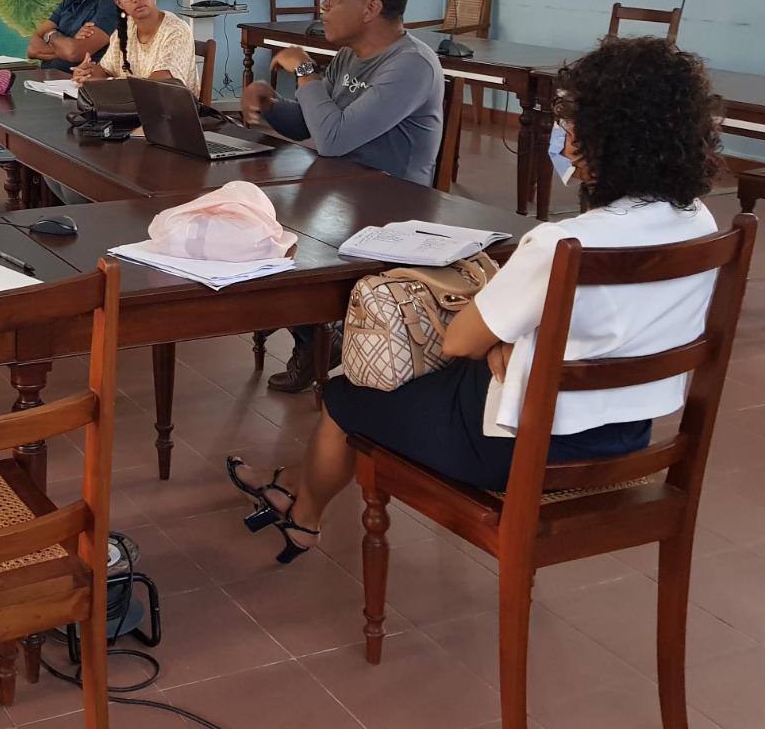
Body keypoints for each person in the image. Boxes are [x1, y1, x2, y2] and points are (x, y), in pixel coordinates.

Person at [227, 36, 722, 564]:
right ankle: (294, 488)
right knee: (435, 378)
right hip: (626, 434)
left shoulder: (561, 244)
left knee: (351, 391)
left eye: (574, 124)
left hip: (523, 445)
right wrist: (507, 345)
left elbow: (460, 339)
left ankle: (304, 519)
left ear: (607, 140)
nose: (566, 138)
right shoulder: (700, 222)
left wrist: (495, 343)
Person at [241, 0, 444, 393]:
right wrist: (274, 107)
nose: (323, 6)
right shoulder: (350, 56)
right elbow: (317, 124)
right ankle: (316, 336)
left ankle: (319, 336)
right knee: (262, 227)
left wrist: (305, 70)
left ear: (370, 8)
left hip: (393, 204)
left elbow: (334, 139)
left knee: (287, 241)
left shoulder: (410, 65)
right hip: (341, 190)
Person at [71, 0, 197, 90]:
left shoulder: (176, 30)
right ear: (119, 3)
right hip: (129, 107)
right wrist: (87, 72)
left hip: (171, 108)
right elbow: (105, 69)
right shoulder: (125, 28)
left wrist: (106, 81)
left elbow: (160, 86)